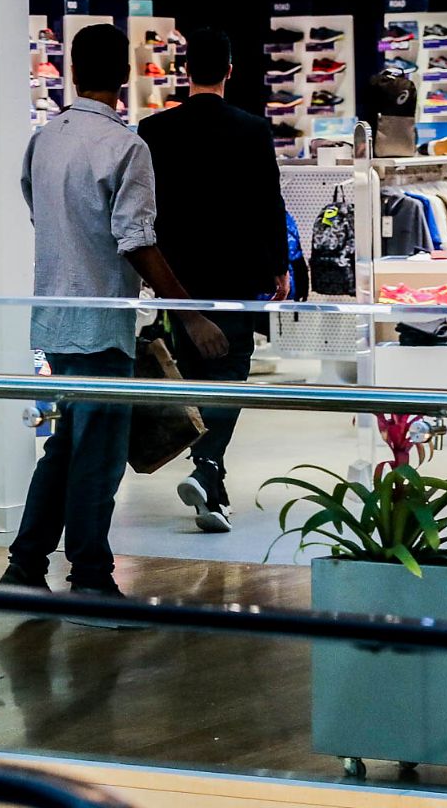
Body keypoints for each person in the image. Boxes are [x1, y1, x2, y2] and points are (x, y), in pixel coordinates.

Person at [0, 24, 226, 602]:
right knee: (97, 452)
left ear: (72, 72)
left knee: (68, 441)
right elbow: (136, 240)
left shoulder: (45, 139)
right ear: (123, 77)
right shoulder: (127, 147)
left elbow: (36, 209)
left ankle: (25, 565)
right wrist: (190, 313)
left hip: (53, 315)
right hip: (102, 321)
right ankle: (91, 578)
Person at [138, 27, 289, 534]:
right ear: (229, 70)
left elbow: (147, 207)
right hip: (236, 272)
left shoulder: (154, 130)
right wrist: (280, 267)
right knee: (231, 370)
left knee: (191, 370)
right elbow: (269, 202)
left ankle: (212, 483)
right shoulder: (251, 129)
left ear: (185, 71)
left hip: (177, 276)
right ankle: (207, 467)